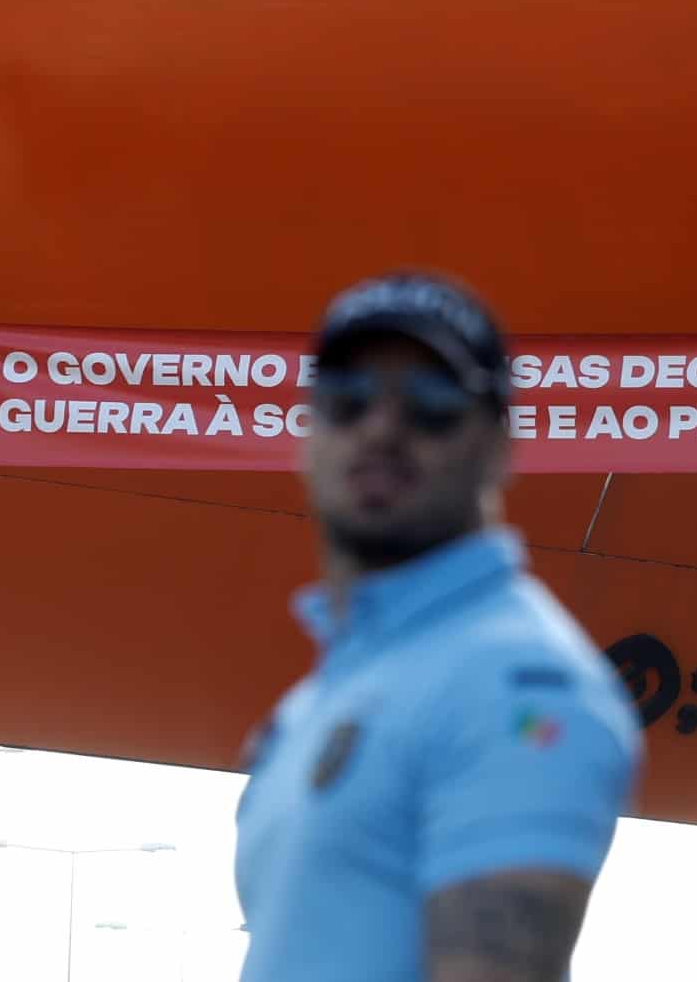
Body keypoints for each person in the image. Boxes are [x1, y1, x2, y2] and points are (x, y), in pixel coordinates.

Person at [233, 271, 643, 982]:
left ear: (500, 445)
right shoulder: (319, 697)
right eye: (348, 398)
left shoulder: (521, 685)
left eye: (432, 402)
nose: (382, 427)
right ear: (307, 431)